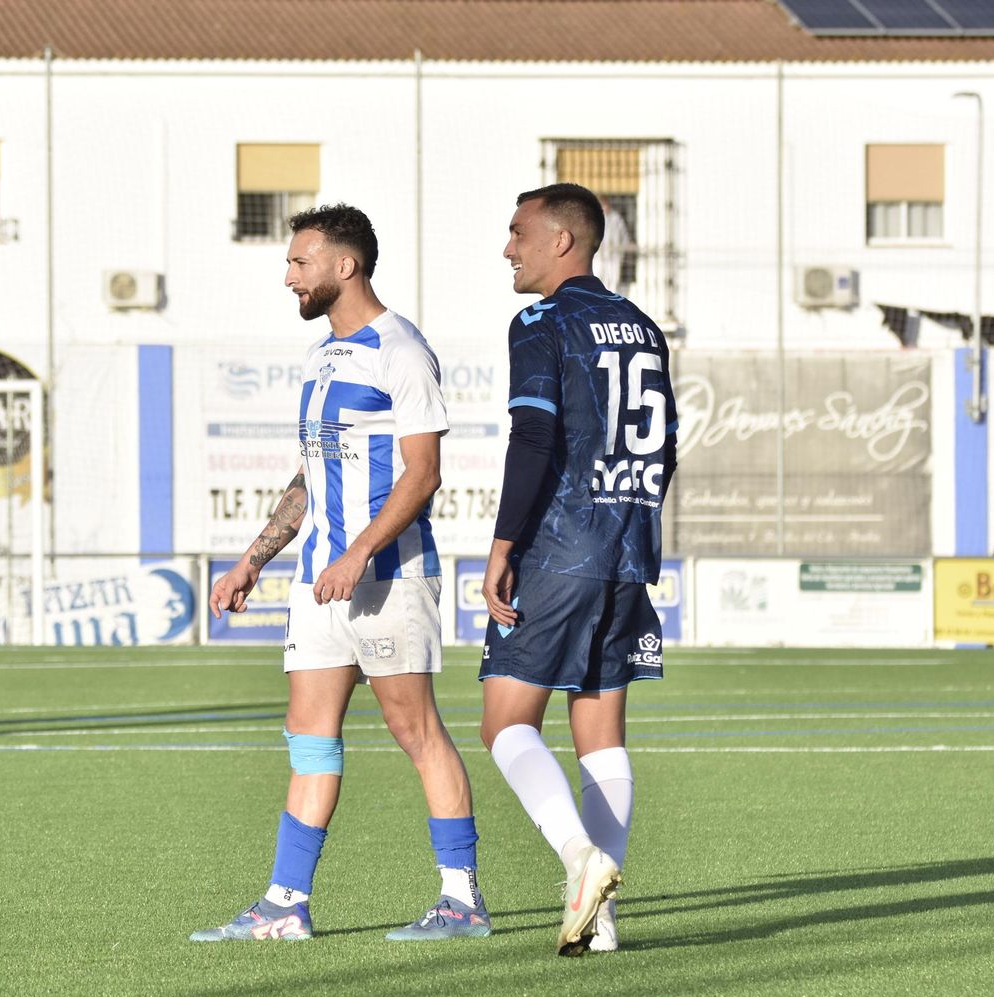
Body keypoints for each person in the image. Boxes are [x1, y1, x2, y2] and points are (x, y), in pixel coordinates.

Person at [193, 203, 489, 942]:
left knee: (414, 729)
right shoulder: (322, 355)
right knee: (308, 735)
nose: (289, 275)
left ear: (344, 265)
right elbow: (311, 474)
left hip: (388, 576)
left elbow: (423, 474)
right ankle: (286, 903)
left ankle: (461, 899)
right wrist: (253, 559)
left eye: (300, 262)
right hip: (316, 583)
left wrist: (359, 552)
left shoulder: (402, 351)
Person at [479, 182, 677, 956]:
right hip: (629, 544)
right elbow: (664, 447)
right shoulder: (642, 326)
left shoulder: (541, 319)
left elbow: (533, 438)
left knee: (505, 723)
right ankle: (603, 923)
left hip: (562, 545)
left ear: (563, 240)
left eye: (518, 231)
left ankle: (579, 857)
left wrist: (503, 546)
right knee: (600, 730)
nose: (509, 248)